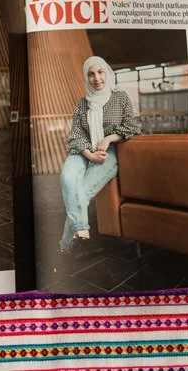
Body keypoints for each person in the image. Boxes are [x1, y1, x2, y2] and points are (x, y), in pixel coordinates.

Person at [60, 56, 141, 252]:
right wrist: (89, 155)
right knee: (67, 177)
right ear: (86, 77)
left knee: (81, 191)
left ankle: (65, 245)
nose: (96, 78)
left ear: (107, 73)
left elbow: (132, 127)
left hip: (109, 152)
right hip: (83, 151)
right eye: (91, 74)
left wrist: (108, 139)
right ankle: (81, 229)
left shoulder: (120, 97)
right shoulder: (82, 104)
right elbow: (76, 135)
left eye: (100, 72)